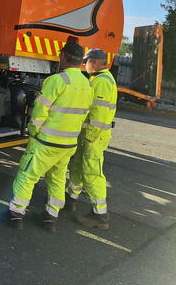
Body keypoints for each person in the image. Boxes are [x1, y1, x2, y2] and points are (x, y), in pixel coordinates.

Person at [8, 43, 93, 232]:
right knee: (57, 178)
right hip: (68, 143)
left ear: (63, 56)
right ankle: (50, 218)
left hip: (46, 142)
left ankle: (16, 214)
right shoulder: (87, 84)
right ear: (80, 61)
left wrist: (32, 130)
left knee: (27, 175)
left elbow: (40, 111)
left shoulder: (56, 80)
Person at [66, 48, 117, 229]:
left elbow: (99, 114)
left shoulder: (102, 82)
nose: (83, 65)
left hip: (94, 137)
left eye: (85, 61)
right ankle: (70, 199)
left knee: (92, 173)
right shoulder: (99, 79)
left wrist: (89, 136)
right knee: (78, 166)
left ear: (94, 62)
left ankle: (100, 215)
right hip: (90, 136)